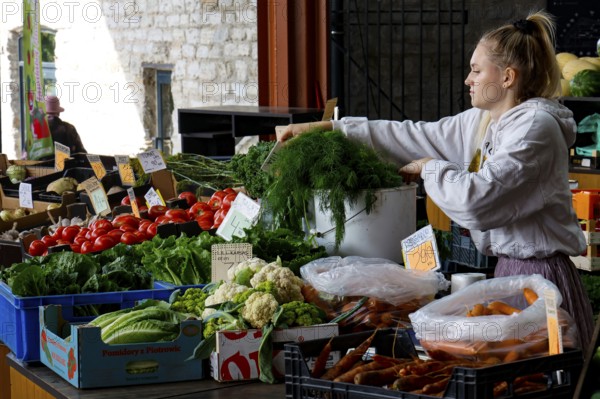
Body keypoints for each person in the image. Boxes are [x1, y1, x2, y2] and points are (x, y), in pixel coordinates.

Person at [277, 10, 594, 350]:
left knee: (541, 380)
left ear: (507, 77)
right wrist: (329, 129)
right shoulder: (483, 120)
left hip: (542, 281)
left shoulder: (535, 127)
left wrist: (430, 168)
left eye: (476, 70)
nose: (467, 79)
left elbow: (479, 201)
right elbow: (411, 136)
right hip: (509, 277)